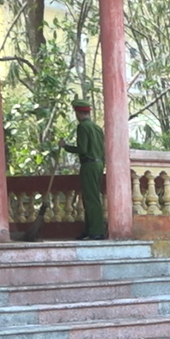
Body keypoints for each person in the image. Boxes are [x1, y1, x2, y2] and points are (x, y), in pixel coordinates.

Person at [63, 99, 107, 240]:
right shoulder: (97, 128)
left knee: (91, 198)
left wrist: (65, 146)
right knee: (92, 196)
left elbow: (82, 149)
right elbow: (103, 149)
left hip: (88, 164)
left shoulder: (82, 127)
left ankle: (96, 231)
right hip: (99, 164)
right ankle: (89, 229)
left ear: (78, 113)